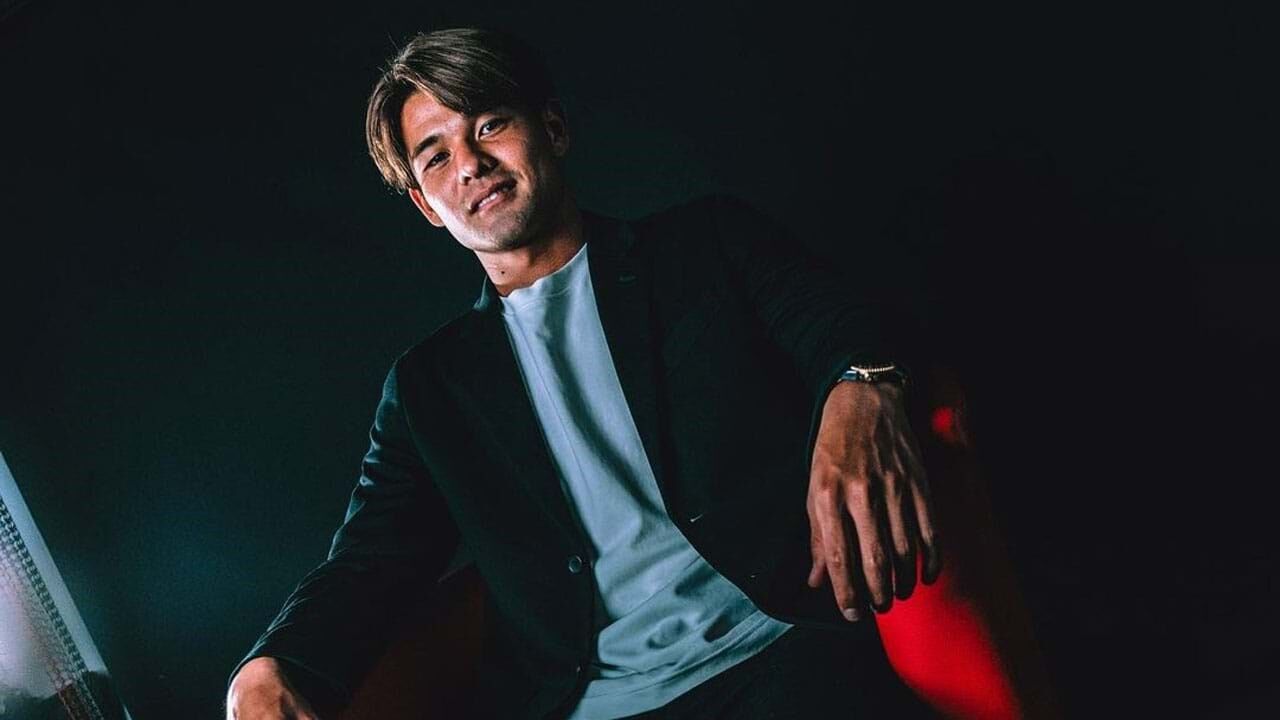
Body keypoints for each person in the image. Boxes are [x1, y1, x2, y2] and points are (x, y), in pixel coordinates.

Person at [225, 27, 941, 720]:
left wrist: (862, 387)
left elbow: (844, 319)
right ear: (425, 206)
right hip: (593, 703)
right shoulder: (428, 390)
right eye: (435, 157)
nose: (469, 164)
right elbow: (369, 564)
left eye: (489, 125)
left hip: (778, 654)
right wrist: (267, 665)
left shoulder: (705, 246)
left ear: (553, 129)